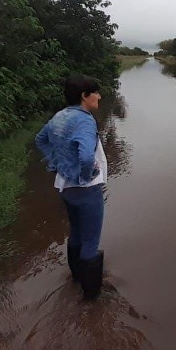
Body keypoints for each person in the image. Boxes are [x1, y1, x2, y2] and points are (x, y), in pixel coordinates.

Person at [35, 75, 107, 300]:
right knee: (90, 242)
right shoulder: (85, 120)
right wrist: (86, 176)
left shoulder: (60, 116)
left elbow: (40, 140)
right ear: (84, 96)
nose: (99, 96)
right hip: (86, 190)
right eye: (95, 92)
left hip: (65, 187)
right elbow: (86, 157)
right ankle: (92, 297)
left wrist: (55, 163)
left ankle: (76, 278)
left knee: (75, 232)